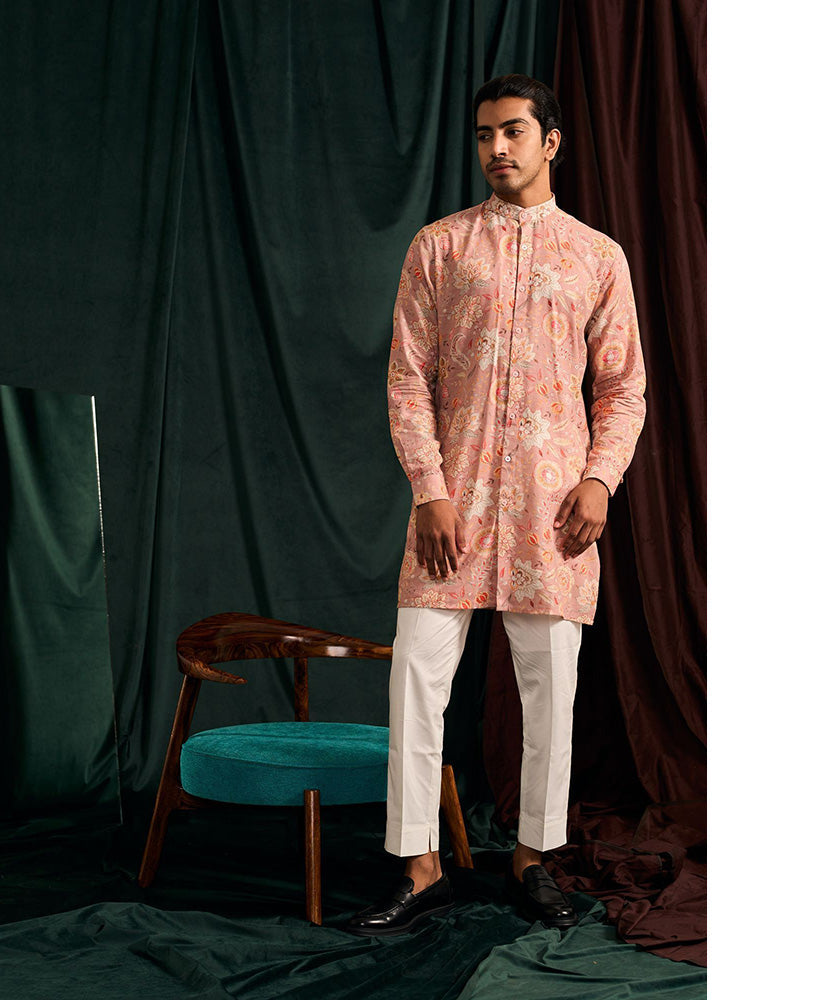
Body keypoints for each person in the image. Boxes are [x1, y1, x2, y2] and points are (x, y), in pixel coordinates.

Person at [347, 73, 646, 936]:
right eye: (484, 135)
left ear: (551, 141)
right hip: (455, 510)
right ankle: (418, 865)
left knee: (552, 692)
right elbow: (408, 380)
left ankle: (533, 860)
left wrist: (600, 480)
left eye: (514, 131)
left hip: (555, 515)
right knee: (416, 678)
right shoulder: (439, 247)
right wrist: (430, 491)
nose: (497, 148)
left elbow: (623, 388)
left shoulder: (597, 257)